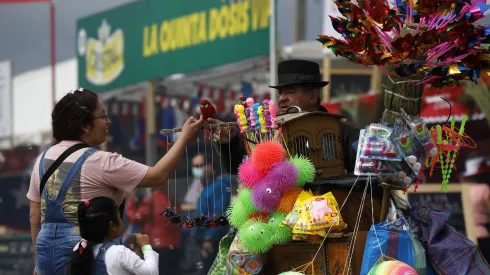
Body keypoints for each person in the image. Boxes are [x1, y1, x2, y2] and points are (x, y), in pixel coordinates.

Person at [27, 88, 202, 275]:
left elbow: (34, 216)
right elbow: (158, 175)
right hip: (90, 256)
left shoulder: (42, 159)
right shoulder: (101, 161)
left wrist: (39, 261)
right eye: (103, 116)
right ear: (85, 125)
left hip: (46, 255)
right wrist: (184, 138)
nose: (108, 122)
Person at [209, 59, 359, 174]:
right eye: (280, 92)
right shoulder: (269, 133)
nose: (282, 98)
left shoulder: (345, 134)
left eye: (290, 92)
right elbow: (236, 167)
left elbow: (363, 179)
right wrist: (229, 142)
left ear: (312, 96)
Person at [69, 196, 159, 275]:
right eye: (119, 217)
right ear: (112, 225)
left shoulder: (80, 248)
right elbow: (151, 272)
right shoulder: (119, 253)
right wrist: (146, 246)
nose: (121, 220)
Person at [191, 154, 231, 274]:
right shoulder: (206, 186)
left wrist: (209, 238)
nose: (196, 169)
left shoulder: (219, 186)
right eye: (194, 166)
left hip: (213, 240)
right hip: (203, 240)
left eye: (199, 165)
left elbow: (220, 214)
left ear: (210, 166)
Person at [126, 187, 181, 275]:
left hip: (156, 245)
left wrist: (130, 200)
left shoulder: (151, 200)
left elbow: (134, 218)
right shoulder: (171, 199)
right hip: (174, 244)